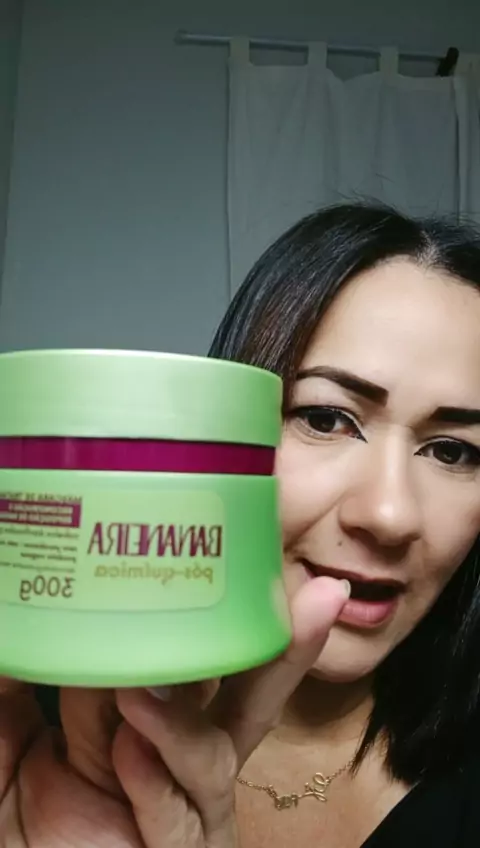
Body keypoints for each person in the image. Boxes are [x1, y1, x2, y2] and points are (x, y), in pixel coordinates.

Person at [5, 202, 480, 847]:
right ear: (215, 431)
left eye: (453, 452)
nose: (389, 515)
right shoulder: (38, 742)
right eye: (326, 418)